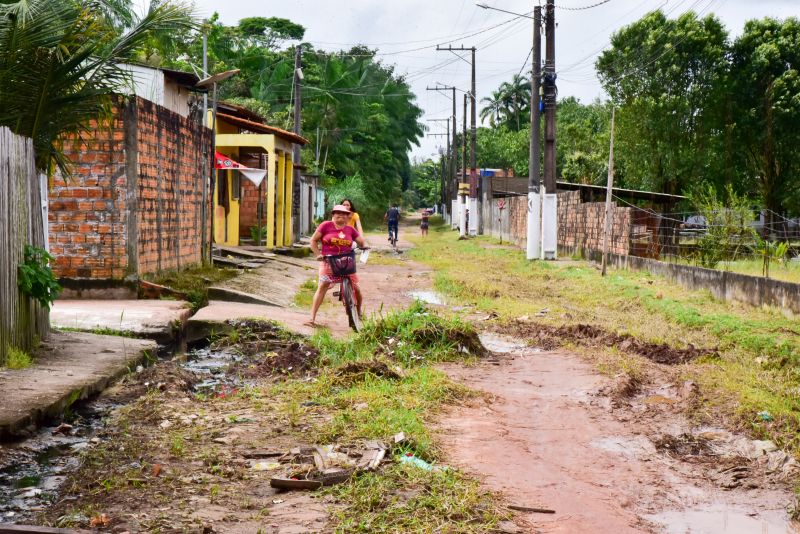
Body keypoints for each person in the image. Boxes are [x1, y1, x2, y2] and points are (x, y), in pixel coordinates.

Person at [308, 205, 368, 326]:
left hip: (346, 261)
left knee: (356, 288)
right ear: (333, 215)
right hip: (328, 261)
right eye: (337, 213)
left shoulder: (350, 230)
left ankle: (358, 311)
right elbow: (313, 241)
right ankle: (311, 319)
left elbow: (361, 241)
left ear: (348, 217)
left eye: (344, 213)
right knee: (322, 286)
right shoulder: (325, 225)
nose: (340, 215)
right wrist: (318, 254)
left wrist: (365, 245)